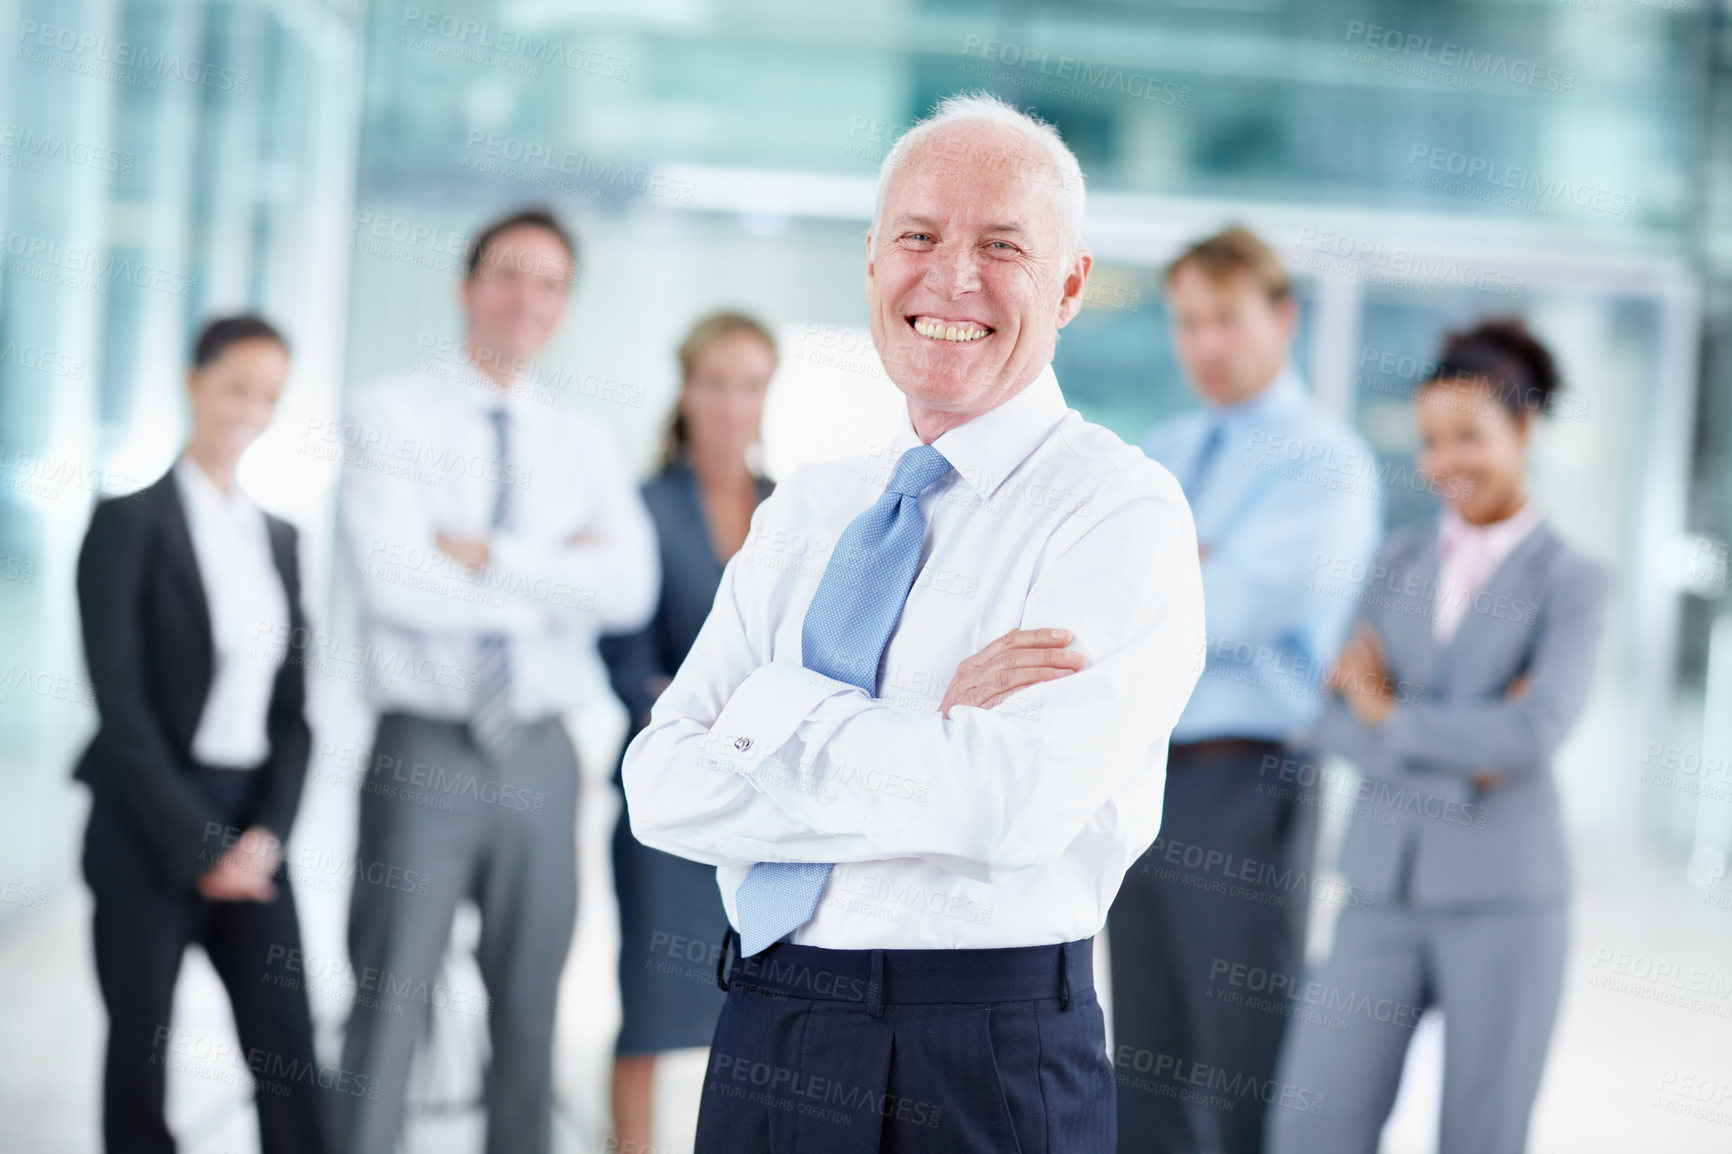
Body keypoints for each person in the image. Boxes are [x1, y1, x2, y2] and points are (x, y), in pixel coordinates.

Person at [624, 92, 1205, 1154]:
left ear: (1069, 283)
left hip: (982, 1053)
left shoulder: (1118, 509)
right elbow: (660, 784)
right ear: (871, 260)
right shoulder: (807, 502)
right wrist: (924, 724)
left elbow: (1006, 807)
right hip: (768, 1021)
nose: (951, 278)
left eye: (1001, 245)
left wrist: (773, 715)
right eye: (919, 237)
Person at [334, 207, 658, 1154]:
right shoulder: (388, 415)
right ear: (467, 286)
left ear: (564, 307)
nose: (529, 300)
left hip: (543, 754)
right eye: (510, 276)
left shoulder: (581, 442)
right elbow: (397, 584)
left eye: (550, 283)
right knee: (388, 1005)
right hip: (422, 746)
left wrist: (488, 558)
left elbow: (630, 588)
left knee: (531, 1009)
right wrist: (557, 578)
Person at [1266, 319, 1609, 1154]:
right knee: (1311, 1125)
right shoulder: (1396, 559)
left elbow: (1534, 732)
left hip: (1506, 901)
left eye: (1470, 437)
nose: (1444, 462)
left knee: (1480, 1136)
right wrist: (1465, 754)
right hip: (1380, 889)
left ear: (1523, 431)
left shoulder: (1574, 581)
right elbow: (1333, 723)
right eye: (1429, 440)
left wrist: (1393, 714)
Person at [1106, 226, 1382, 1153]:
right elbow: (1103, 589)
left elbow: (1223, 608)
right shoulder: (1167, 445)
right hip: (1139, 773)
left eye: (1225, 319)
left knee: (1239, 1062)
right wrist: (1186, 566)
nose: (1205, 345)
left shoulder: (1327, 462)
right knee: (1143, 1057)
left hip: (1244, 782)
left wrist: (1177, 573)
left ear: (1283, 317)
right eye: (1187, 322)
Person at [74, 315, 326, 1154]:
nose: (249, 410)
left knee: (288, 1050)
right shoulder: (127, 523)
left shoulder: (281, 540)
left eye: (267, 396)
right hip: (149, 822)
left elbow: (295, 713)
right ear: (194, 382)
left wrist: (264, 838)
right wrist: (201, 843)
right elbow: (123, 706)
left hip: (252, 815)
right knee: (141, 1055)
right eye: (235, 388)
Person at [600, 312, 779, 1153]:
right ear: (686, 388)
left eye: (749, 383)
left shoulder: (790, 510)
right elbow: (625, 651)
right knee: (649, 1002)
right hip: (666, 790)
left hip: (767, 800)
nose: (731, 402)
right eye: (715, 381)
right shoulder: (642, 505)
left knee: (760, 1007)